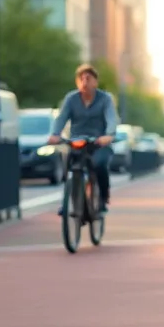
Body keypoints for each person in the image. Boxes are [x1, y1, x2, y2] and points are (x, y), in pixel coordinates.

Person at [48, 64, 118, 215]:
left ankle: (103, 199)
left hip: (98, 143)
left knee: (99, 165)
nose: (84, 82)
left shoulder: (105, 99)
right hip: (77, 142)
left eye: (88, 78)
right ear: (77, 82)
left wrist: (109, 135)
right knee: (68, 163)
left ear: (95, 82)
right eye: (81, 79)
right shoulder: (71, 99)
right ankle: (69, 201)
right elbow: (61, 118)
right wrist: (55, 134)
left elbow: (111, 118)